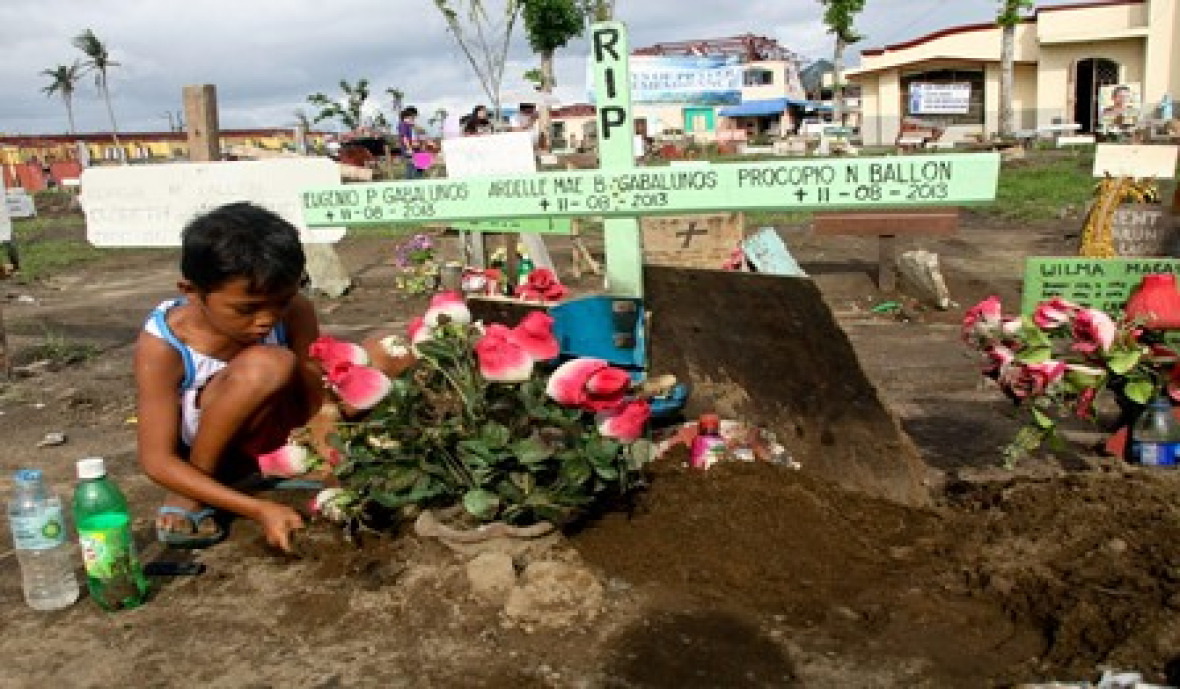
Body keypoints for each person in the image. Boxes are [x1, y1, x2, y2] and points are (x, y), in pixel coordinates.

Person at [134, 202, 323, 553]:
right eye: (246, 309)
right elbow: (156, 461)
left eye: (281, 301)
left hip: (275, 437)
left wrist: (326, 452)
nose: (267, 320)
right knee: (267, 366)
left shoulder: (295, 311)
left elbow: (313, 385)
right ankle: (196, 487)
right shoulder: (164, 345)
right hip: (204, 455)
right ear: (191, 292)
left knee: (386, 353)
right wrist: (258, 509)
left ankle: (272, 468)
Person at [398, 106, 422, 179]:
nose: (414, 119)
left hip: (416, 148)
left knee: (421, 165)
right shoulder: (403, 125)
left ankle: (418, 180)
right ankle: (410, 182)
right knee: (411, 167)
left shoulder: (411, 125)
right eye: (412, 117)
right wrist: (409, 148)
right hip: (409, 149)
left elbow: (419, 134)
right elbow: (404, 138)